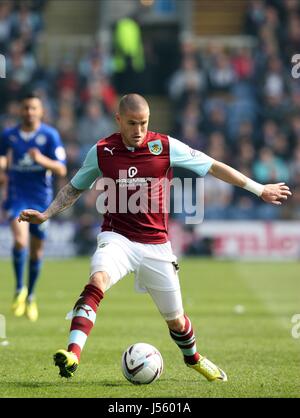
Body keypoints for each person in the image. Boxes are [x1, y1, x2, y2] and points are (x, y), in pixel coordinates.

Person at [18, 94, 291, 381]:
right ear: (119, 120)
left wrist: (259, 189)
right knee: (97, 280)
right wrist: (47, 214)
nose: (138, 130)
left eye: (144, 123)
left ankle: (194, 358)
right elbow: (74, 188)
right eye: (132, 123)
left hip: (156, 245)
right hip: (116, 238)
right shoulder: (102, 151)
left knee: (176, 319)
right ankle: (73, 353)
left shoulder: (166, 146)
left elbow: (212, 166)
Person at [0, 93, 67, 322]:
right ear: (20, 110)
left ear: (41, 111)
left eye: (34, 108)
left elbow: (61, 169)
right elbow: (2, 160)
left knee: (37, 250)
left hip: (41, 199)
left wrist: (41, 160)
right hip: (17, 196)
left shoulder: (50, 135)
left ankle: (31, 295)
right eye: (26, 107)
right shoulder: (8, 135)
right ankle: (20, 289)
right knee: (20, 241)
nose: (29, 112)